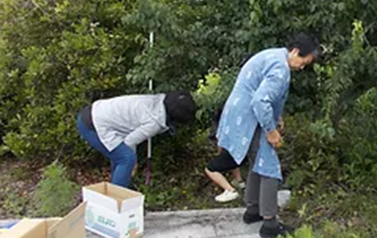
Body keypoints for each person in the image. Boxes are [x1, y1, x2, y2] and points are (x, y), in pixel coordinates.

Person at [217, 33, 320, 238]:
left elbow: (264, 93)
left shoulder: (273, 55)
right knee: (270, 167)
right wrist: (271, 131)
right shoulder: (281, 69)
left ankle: (253, 210)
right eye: (303, 62)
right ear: (295, 51)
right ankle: (270, 224)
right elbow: (260, 101)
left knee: (259, 162)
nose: (302, 67)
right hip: (249, 118)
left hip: (238, 114)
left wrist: (277, 116)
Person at [76, 91, 197, 188]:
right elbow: (129, 142)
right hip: (93, 125)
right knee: (126, 158)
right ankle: (116, 204)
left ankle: (118, 194)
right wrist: (133, 163)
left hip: (95, 112)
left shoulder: (156, 100)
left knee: (121, 158)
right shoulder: (154, 122)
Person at [205, 108, 246, 203]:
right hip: (246, 149)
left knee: (210, 169)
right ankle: (239, 181)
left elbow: (220, 142)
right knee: (231, 159)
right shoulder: (240, 120)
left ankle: (230, 190)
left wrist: (219, 159)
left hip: (234, 150)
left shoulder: (223, 124)